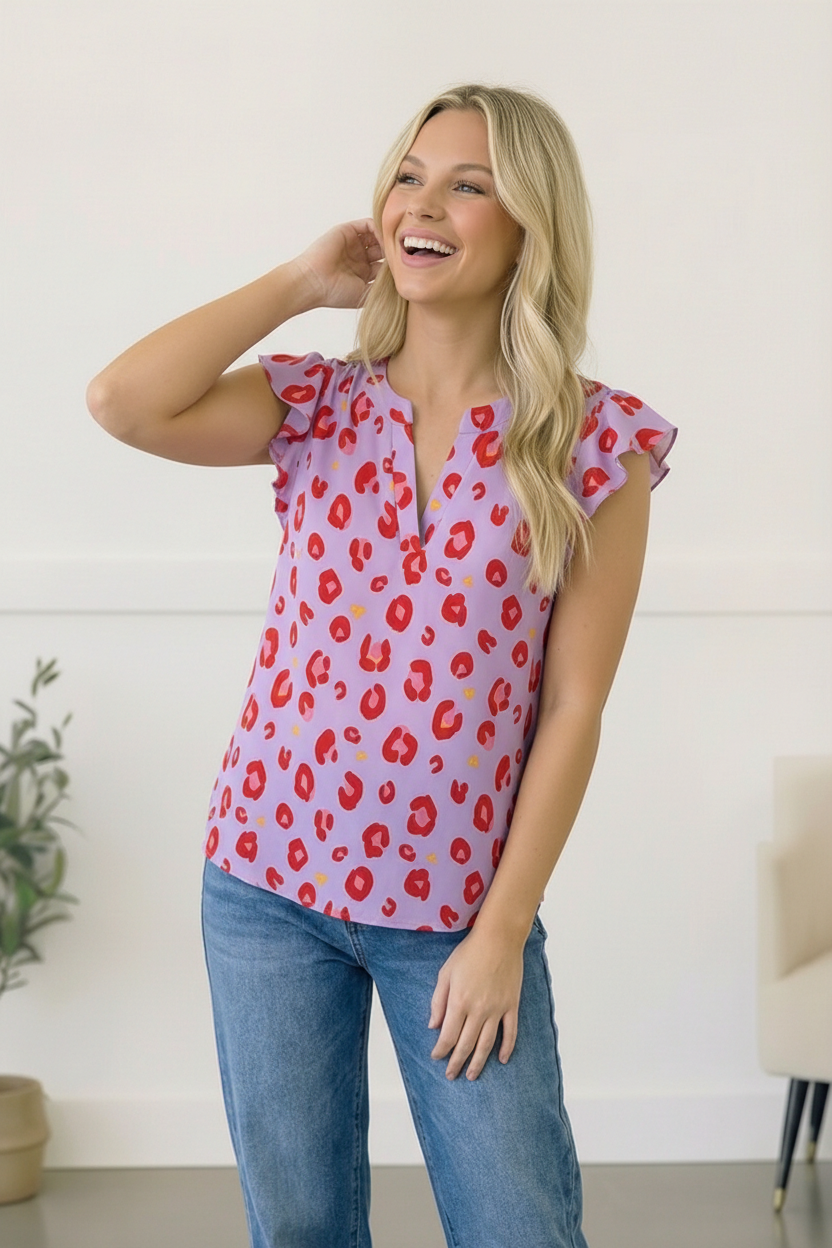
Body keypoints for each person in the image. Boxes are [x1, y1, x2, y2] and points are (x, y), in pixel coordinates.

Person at [87, 83, 676, 1248]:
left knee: (518, 1227)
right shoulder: (313, 404)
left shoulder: (591, 442)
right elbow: (123, 402)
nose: (423, 204)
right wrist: (299, 281)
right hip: (265, 882)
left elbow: (574, 705)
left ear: (530, 224)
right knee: (300, 1229)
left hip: (455, 910)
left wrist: (502, 930)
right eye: (409, 176)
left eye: (468, 185)